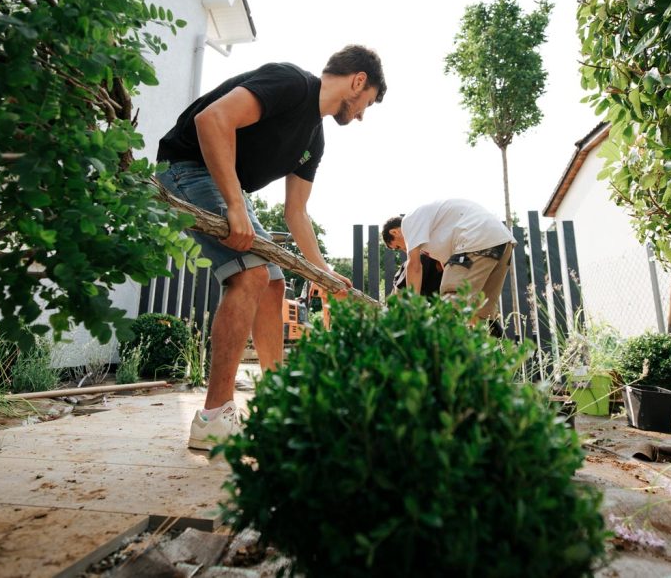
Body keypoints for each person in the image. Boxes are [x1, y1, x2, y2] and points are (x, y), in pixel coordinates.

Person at [157, 45, 387, 449]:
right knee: (251, 274)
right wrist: (233, 204)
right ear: (358, 80)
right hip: (186, 166)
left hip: (226, 185)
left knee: (274, 285)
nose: (363, 115)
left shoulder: (314, 139)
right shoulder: (291, 83)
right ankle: (213, 416)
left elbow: (296, 212)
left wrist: (322, 271)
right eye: (367, 104)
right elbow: (211, 121)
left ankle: (275, 403)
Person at [382, 199, 515, 326]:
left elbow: (414, 266)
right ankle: (489, 348)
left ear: (394, 231)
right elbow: (444, 264)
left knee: (451, 300)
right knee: (481, 313)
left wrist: (413, 309)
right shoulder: (433, 229)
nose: (404, 250)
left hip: (475, 239)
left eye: (398, 247)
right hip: (502, 241)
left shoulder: (408, 223)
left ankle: (445, 348)